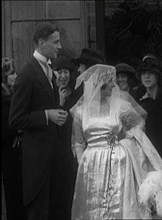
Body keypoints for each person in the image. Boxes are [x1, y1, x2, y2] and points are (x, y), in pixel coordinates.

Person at [70, 64, 162, 219]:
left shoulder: (118, 105)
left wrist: (128, 139)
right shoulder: (81, 111)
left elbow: (139, 121)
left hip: (116, 160)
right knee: (93, 204)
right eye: (110, 81)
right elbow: (79, 142)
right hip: (91, 164)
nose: (114, 85)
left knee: (117, 202)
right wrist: (83, 163)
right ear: (99, 85)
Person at [9, 22, 68, 220]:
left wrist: (57, 109)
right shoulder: (27, 73)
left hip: (52, 157)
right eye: (56, 42)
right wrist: (47, 115)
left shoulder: (48, 70)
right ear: (42, 43)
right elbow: (16, 118)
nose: (59, 46)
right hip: (37, 163)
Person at [134, 54, 162, 172]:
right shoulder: (138, 95)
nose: (146, 76)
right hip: (146, 144)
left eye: (150, 73)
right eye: (143, 73)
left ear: (157, 75)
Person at [51, 56, 79, 220]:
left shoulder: (75, 93)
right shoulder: (50, 93)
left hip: (72, 147)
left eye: (66, 72)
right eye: (60, 72)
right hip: (56, 149)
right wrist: (60, 103)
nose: (63, 76)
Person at [2, 57, 26, 220]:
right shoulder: (3, 99)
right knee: (12, 191)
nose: (16, 76)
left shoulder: (13, 95)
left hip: (18, 150)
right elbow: (7, 126)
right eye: (12, 73)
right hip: (7, 150)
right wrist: (18, 129)